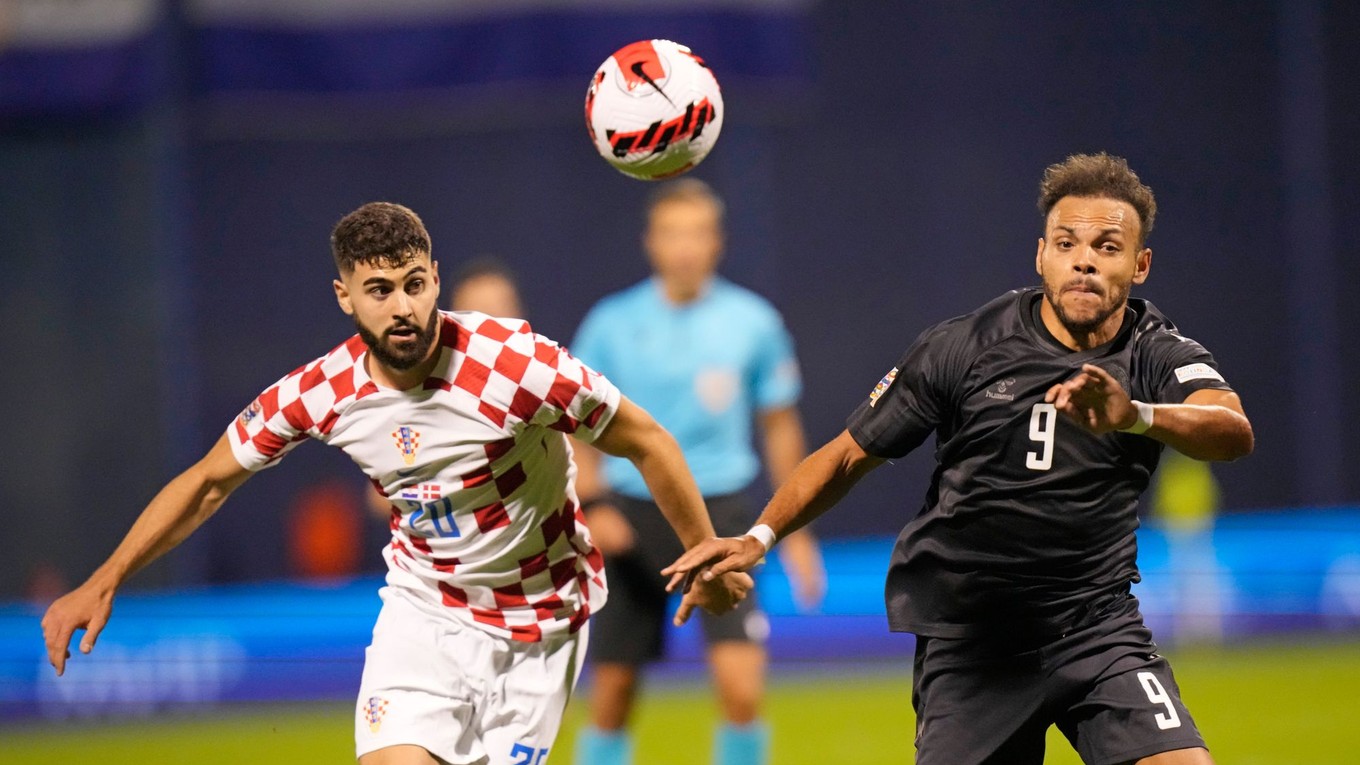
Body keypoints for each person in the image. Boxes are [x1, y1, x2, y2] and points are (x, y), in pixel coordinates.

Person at [40, 202, 752, 765]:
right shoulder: (323, 391)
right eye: (379, 290)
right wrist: (107, 576)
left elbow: (647, 439)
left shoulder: (516, 365)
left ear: (435, 277)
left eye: (414, 284)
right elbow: (206, 482)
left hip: (542, 617)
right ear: (344, 295)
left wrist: (706, 554)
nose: (402, 306)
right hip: (428, 610)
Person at [664, 154, 1254, 765]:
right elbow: (846, 457)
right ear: (1041, 255)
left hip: (1096, 630)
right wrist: (759, 537)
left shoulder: (1155, 352)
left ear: (1140, 264)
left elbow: (1232, 428)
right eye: (1066, 242)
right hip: (973, 641)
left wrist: (1135, 414)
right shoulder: (966, 345)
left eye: (1108, 246)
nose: (1084, 260)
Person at [570, 178, 825, 765]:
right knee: (611, 694)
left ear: (718, 243)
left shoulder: (753, 322)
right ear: (650, 243)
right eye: (671, 234)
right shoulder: (610, 324)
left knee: (741, 691)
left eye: (697, 234)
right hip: (632, 519)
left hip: (724, 519)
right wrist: (595, 504)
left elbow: (780, 426)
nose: (684, 247)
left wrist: (800, 532)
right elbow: (570, 428)